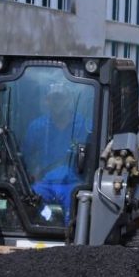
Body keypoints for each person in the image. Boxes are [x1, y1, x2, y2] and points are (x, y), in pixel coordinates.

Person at [22, 76, 93, 224]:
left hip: (74, 184)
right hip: (45, 184)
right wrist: (32, 173)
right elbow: (27, 156)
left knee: (77, 208)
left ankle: (72, 241)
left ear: (68, 100)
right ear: (47, 101)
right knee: (28, 199)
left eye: (60, 98)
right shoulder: (37, 126)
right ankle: (48, 222)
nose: (57, 102)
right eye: (53, 98)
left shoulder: (84, 126)